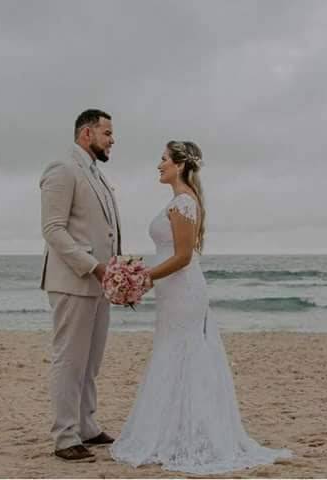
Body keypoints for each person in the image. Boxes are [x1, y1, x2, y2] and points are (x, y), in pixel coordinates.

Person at [110, 141, 293, 474]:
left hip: (182, 289)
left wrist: (144, 277)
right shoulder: (180, 201)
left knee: (183, 353)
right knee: (172, 351)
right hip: (174, 291)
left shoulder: (183, 203)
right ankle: (175, 428)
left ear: (179, 165)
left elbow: (181, 258)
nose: (158, 165)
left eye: (163, 159)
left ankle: (191, 433)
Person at [39, 109, 121, 463]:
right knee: (70, 360)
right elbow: (53, 229)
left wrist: (116, 269)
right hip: (73, 281)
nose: (112, 140)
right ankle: (64, 436)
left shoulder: (97, 175)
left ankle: (87, 425)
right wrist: (93, 266)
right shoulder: (63, 169)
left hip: (100, 283)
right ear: (86, 134)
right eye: (107, 133)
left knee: (91, 362)